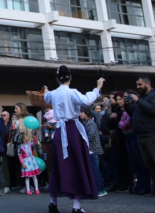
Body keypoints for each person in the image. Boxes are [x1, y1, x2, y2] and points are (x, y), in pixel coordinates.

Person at [43, 66, 103, 213]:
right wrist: (98, 87)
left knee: (57, 166)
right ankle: (76, 206)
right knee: (76, 165)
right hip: (72, 130)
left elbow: (45, 96)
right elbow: (87, 101)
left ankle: (53, 203)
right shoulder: (72, 92)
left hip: (59, 131)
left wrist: (45, 90)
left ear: (57, 79)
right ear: (70, 77)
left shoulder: (53, 93)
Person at [127, 75, 155, 198]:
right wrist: (127, 105)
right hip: (141, 135)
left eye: (140, 84)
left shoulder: (154, 97)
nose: (138, 87)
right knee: (149, 164)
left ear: (147, 84)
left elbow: (153, 109)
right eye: (137, 85)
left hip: (152, 134)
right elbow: (133, 113)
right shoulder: (141, 97)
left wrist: (138, 101)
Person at [116, 90, 150, 195]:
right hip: (127, 136)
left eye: (128, 97)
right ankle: (139, 185)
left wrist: (122, 125)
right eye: (125, 98)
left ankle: (145, 186)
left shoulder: (136, 107)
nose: (126, 100)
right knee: (134, 162)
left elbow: (126, 123)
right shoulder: (127, 109)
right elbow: (120, 123)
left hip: (134, 134)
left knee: (140, 162)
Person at [79, 107, 106, 198]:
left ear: (86, 113)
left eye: (81, 112)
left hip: (93, 150)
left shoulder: (90, 123)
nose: (80, 114)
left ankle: (100, 189)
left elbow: (89, 137)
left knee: (95, 171)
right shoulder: (87, 122)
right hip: (92, 150)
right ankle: (98, 189)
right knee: (95, 170)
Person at [11, 103, 29, 193]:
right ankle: (23, 184)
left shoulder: (25, 119)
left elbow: (28, 132)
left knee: (26, 164)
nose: (15, 110)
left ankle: (29, 186)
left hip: (24, 145)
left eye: (16, 108)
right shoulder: (16, 119)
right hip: (17, 144)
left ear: (22, 109)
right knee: (19, 164)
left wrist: (27, 144)